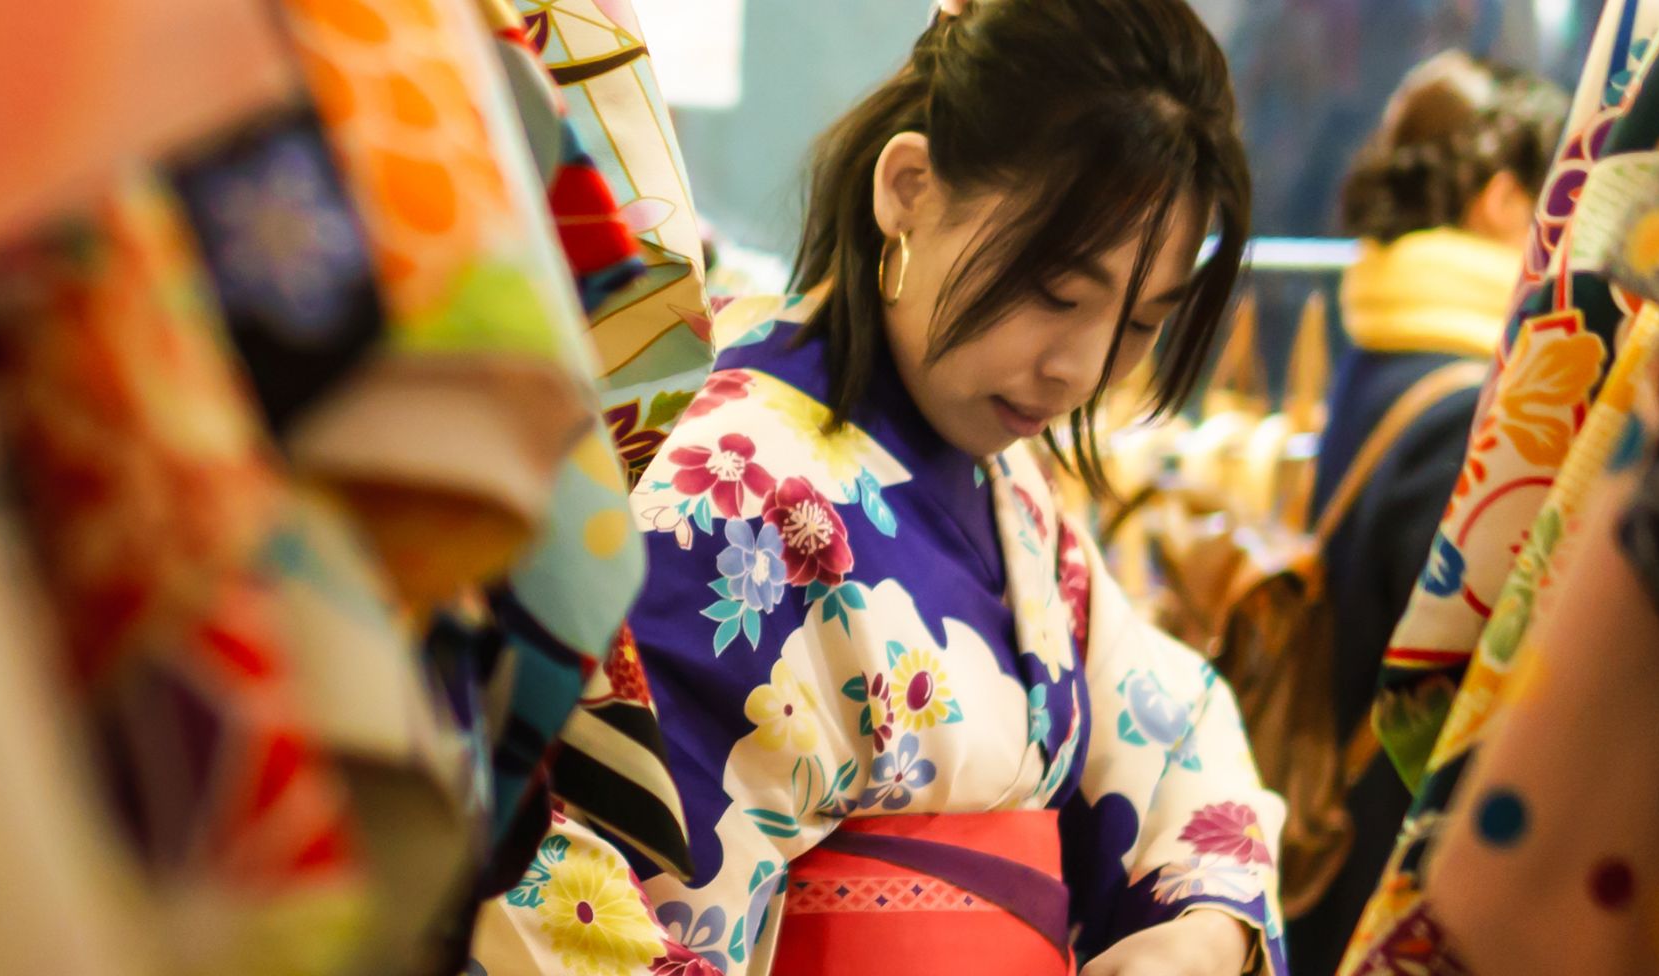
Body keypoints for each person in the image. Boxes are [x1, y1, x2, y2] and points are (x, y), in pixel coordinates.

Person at [464, 0, 1280, 971]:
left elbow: (1168, 719)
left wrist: (1200, 932)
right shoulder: (724, 505)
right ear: (910, 189)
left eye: (1139, 323)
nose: (1082, 368)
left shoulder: (1004, 477)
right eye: (1058, 292)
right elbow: (586, 913)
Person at [1288, 52, 1562, 975]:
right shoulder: (1466, 400)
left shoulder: (1382, 338)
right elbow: (1449, 660)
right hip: (1385, 836)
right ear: (1497, 202)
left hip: (1338, 784)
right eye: (1551, 203)